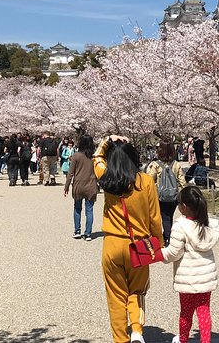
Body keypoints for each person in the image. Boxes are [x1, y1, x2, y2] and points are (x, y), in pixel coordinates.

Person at [93, 135, 162, 343]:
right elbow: (155, 219)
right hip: (139, 245)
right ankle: (137, 331)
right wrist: (158, 245)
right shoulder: (146, 181)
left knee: (115, 297)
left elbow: (96, 157)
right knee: (137, 291)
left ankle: (120, 339)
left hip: (112, 244)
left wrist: (107, 141)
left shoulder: (106, 179)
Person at [162, 186, 219, 343]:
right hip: (205, 277)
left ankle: (183, 339)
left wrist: (161, 255)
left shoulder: (180, 225)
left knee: (186, 313)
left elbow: (174, 253)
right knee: (204, 311)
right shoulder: (208, 225)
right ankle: (206, 341)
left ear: (183, 207)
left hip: (187, 278)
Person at [146, 141, 187, 246]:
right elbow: (182, 181)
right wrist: (184, 194)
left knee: (164, 217)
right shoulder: (176, 165)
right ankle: (167, 236)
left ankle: (167, 237)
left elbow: (149, 179)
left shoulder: (156, 165)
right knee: (169, 217)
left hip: (160, 197)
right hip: (173, 196)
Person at [64, 136, 99, 240]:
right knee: (89, 210)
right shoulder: (94, 157)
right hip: (91, 185)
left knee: (77, 208)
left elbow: (70, 173)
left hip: (78, 185)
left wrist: (66, 187)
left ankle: (77, 230)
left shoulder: (76, 156)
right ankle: (88, 233)